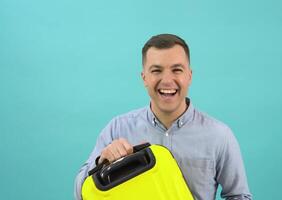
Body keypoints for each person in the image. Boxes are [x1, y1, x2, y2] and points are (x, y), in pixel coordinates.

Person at [74, 34, 252, 200]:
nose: (167, 80)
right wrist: (101, 162)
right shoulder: (117, 129)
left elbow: (239, 196)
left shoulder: (219, 135)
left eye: (177, 70)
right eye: (156, 70)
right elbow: (80, 193)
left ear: (189, 76)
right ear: (144, 78)